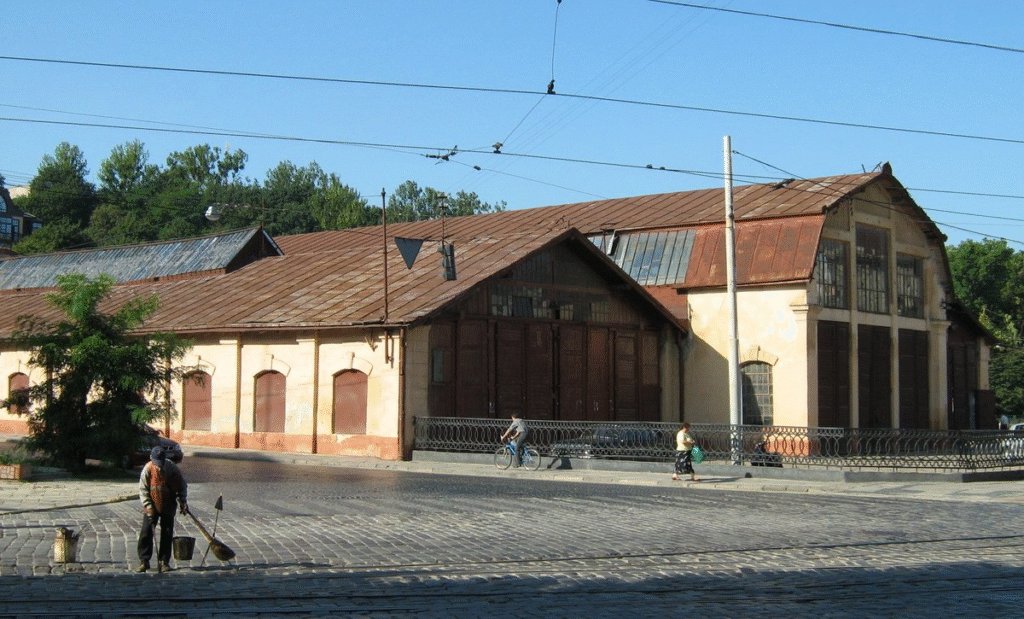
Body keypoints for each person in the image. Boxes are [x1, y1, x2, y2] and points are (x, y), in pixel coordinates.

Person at [136, 445, 188, 573]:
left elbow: (182, 485)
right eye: (156, 463)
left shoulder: (172, 468)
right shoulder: (147, 469)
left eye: (161, 462)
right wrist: (149, 506)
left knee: (167, 532)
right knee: (146, 532)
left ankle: (164, 561)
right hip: (151, 503)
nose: (159, 465)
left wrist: (183, 501)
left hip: (168, 503)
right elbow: (143, 490)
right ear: (151, 459)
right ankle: (144, 561)